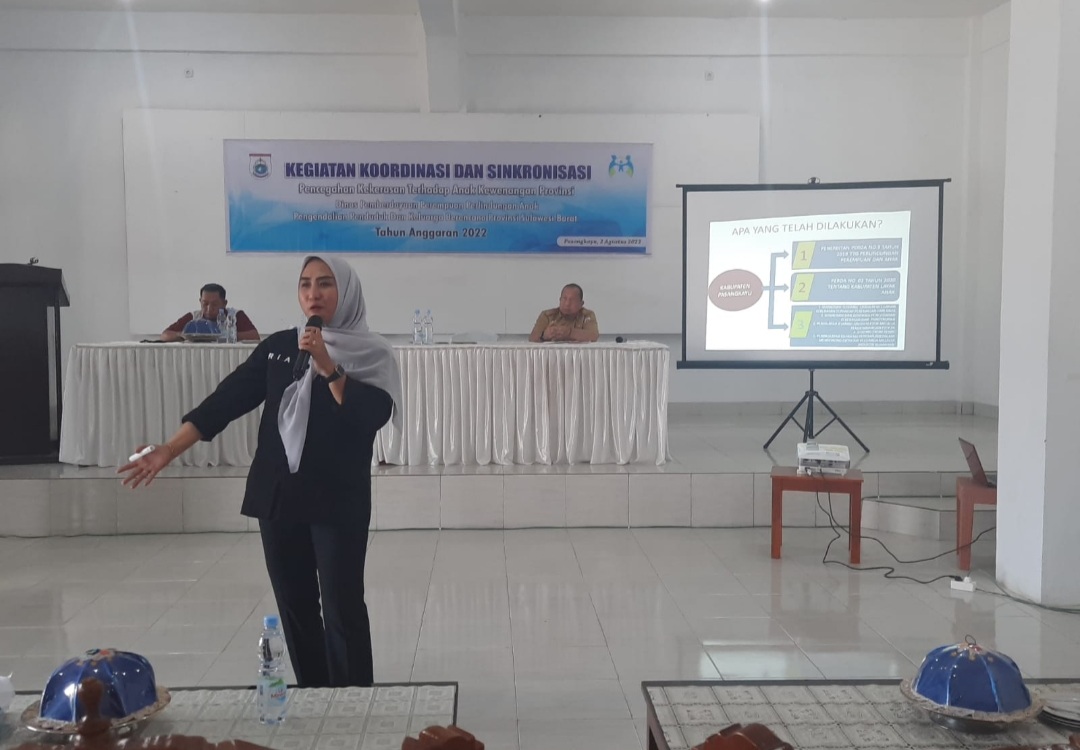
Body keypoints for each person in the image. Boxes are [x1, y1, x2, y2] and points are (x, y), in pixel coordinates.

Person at [120, 256, 401, 688]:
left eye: (325, 284)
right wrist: (170, 449)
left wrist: (328, 365)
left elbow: (371, 415)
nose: (313, 293)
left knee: (342, 606)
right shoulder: (282, 345)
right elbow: (227, 400)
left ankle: (354, 700)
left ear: (346, 292)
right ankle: (314, 695)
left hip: (336, 497)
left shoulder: (372, 352)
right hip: (278, 495)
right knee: (295, 606)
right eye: (305, 284)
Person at [161, 283, 261, 341]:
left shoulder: (235, 315)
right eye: (205, 304)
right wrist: (185, 335)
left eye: (214, 304)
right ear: (200, 301)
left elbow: (254, 336)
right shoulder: (193, 317)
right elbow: (165, 335)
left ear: (224, 303)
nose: (209, 309)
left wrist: (224, 336)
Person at [528, 283, 599, 343]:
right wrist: (544, 336)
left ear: (581, 304)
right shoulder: (547, 315)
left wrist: (570, 333)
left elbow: (593, 336)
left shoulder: (587, 315)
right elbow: (532, 338)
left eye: (572, 300)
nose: (567, 304)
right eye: (564, 299)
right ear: (560, 300)